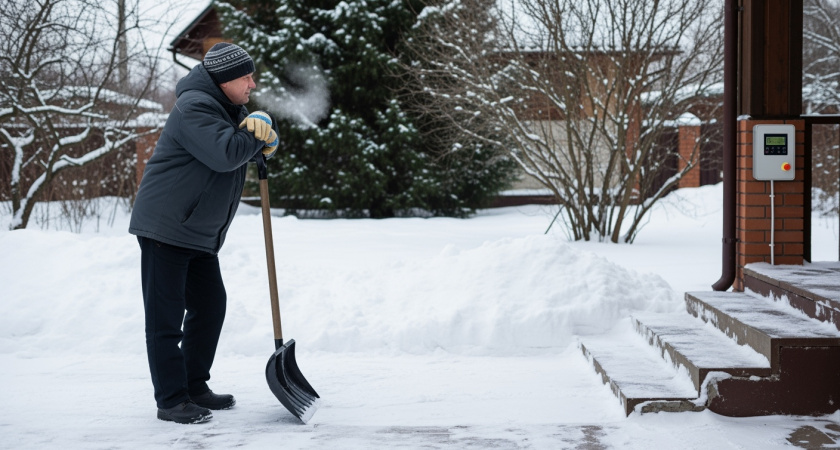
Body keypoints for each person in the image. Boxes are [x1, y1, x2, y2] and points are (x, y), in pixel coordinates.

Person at [129, 42, 278, 424]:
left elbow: (240, 150)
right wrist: (256, 138)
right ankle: (171, 399)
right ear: (225, 79)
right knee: (165, 319)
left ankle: (194, 385)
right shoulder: (193, 106)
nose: (252, 83)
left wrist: (263, 145)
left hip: (196, 231)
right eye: (245, 76)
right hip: (166, 226)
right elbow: (226, 154)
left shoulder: (228, 109)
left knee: (210, 306)